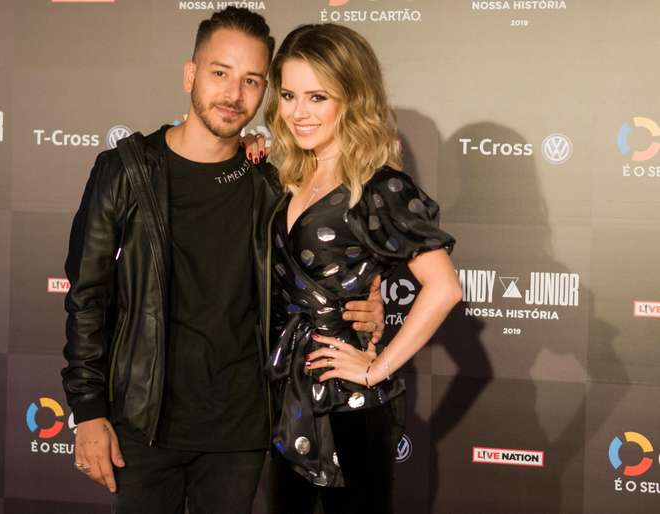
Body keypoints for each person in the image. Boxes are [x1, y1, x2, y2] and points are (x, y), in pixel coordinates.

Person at [60, 8, 385, 514]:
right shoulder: (125, 171)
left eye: (252, 80)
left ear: (265, 92)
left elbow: (323, 266)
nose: (234, 95)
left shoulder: (272, 184)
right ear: (190, 74)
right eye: (220, 73)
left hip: (241, 431)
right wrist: (87, 412)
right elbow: (86, 296)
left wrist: (370, 300)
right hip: (143, 423)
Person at [256, 23, 463, 514]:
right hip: (289, 393)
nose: (298, 112)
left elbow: (444, 288)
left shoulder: (379, 187)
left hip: (349, 405)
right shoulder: (288, 174)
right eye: (288, 94)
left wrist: (377, 368)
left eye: (317, 97)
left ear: (351, 98)